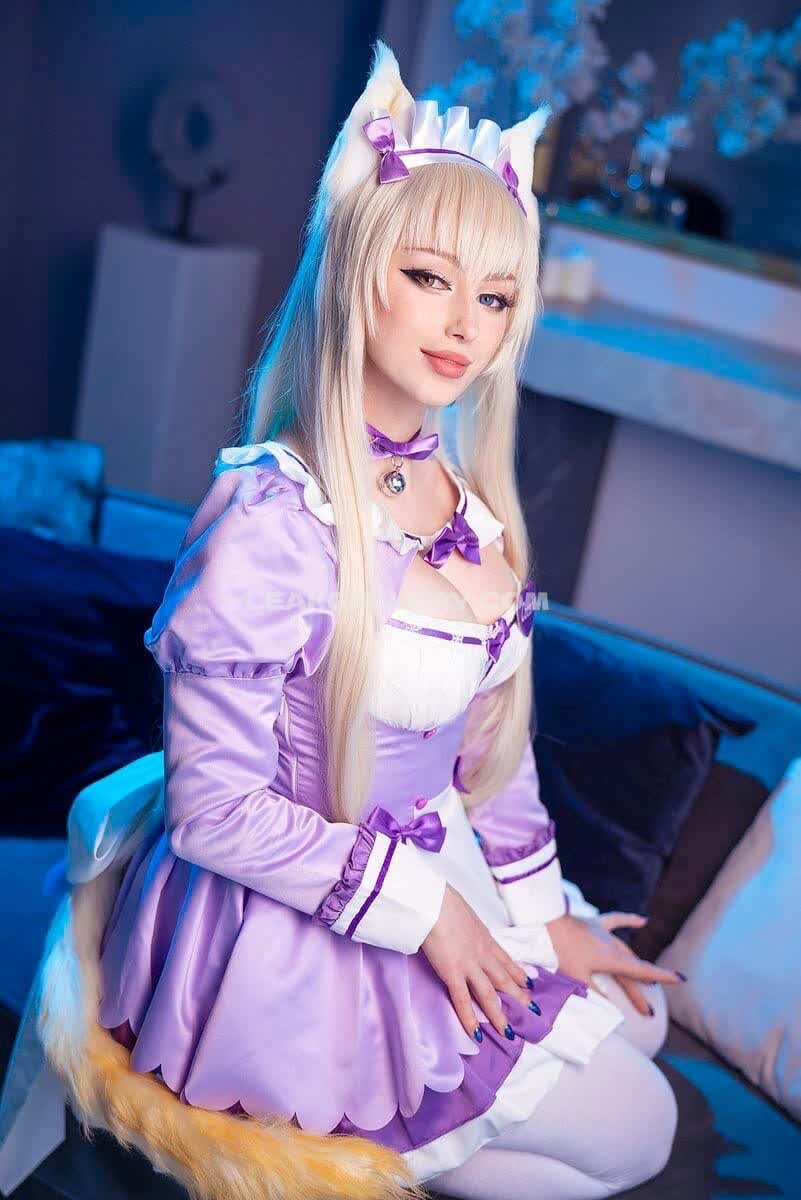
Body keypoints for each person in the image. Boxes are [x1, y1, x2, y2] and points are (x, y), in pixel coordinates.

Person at [0, 39, 682, 1200]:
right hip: (301, 922)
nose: (463, 323)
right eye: (429, 278)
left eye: (494, 295)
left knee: (638, 1019)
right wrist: (431, 917)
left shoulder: (463, 496)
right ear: (358, 270)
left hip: (435, 861)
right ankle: (385, 1152)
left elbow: (490, 758)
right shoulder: (269, 519)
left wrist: (538, 916)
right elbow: (215, 811)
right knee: (643, 1128)